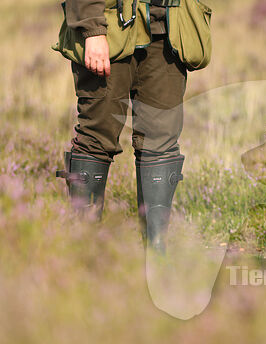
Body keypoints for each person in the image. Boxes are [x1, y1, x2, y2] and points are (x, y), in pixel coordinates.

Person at [53, 0, 212, 252]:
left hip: (169, 33)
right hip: (109, 29)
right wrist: (92, 30)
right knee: (95, 139)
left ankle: (155, 254)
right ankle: (84, 248)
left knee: (161, 144)